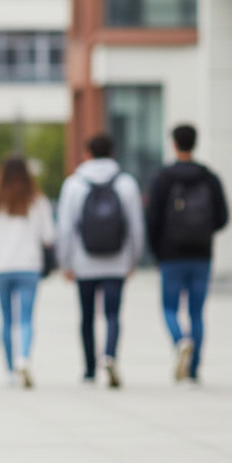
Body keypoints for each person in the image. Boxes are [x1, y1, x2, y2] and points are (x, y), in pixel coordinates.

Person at [56, 133, 144, 387]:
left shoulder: (74, 184)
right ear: (113, 153)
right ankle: (111, 356)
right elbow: (136, 226)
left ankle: (89, 369)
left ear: (87, 153)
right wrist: (133, 259)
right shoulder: (126, 184)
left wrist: (65, 263)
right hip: (117, 261)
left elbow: (65, 228)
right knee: (113, 314)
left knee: (86, 317)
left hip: (84, 262)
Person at [146, 124, 228, 383]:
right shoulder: (209, 177)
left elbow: (152, 219)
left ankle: (180, 341)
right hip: (202, 254)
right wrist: (202, 233)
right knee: (197, 312)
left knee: (170, 308)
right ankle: (193, 369)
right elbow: (223, 217)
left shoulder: (163, 178)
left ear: (174, 144)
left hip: (171, 255)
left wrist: (156, 251)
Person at [0, 156, 56, 388]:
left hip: (1, 267)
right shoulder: (37, 201)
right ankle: (23, 358)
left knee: (6, 319)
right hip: (29, 266)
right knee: (26, 318)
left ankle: (9, 370)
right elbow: (49, 236)